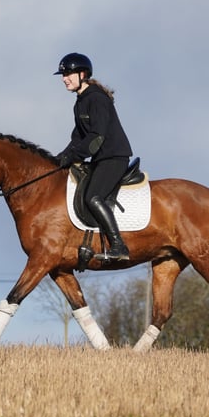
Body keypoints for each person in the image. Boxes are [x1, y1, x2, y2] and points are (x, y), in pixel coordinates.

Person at [54, 52, 133, 261]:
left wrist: (74, 156)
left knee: (93, 197)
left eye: (68, 74)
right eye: (63, 75)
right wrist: (59, 159)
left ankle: (119, 246)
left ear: (83, 74)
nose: (64, 79)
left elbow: (96, 137)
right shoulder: (80, 102)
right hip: (100, 158)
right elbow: (78, 137)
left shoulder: (96, 98)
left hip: (114, 157)